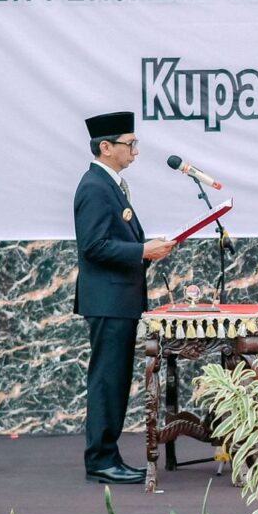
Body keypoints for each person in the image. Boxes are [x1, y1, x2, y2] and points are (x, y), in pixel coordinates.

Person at [74, 112, 176, 484]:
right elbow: (94, 246)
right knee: (107, 380)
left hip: (118, 299)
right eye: (129, 143)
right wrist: (141, 251)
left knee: (114, 380)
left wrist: (145, 249)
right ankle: (101, 459)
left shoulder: (110, 184)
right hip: (107, 301)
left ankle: (106, 454)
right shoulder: (94, 187)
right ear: (106, 147)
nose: (135, 150)